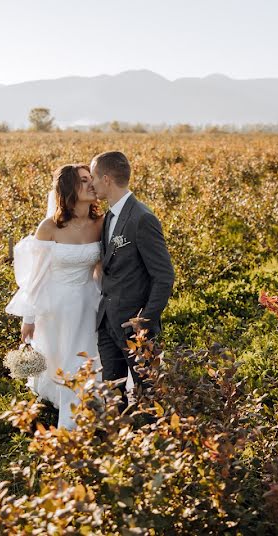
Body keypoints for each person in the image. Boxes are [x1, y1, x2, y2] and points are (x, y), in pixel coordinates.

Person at [5, 164, 103, 429]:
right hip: (57, 306)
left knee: (85, 358)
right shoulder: (49, 227)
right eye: (84, 180)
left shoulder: (101, 223)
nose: (91, 184)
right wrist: (29, 318)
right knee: (64, 360)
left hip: (89, 301)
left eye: (91, 178)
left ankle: (84, 417)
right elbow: (36, 278)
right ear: (69, 188)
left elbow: (102, 269)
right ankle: (73, 425)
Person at [89, 151, 175, 413]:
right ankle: (120, 447)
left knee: (150, 396)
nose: (91, 184)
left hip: (134, 327)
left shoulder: (142, 218)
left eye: (92, 177)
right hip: (107, 323)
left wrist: (144, 322)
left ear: (106, 179)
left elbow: (164, 275)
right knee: (113, 397)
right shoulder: (109, 217)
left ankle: (158, 447)